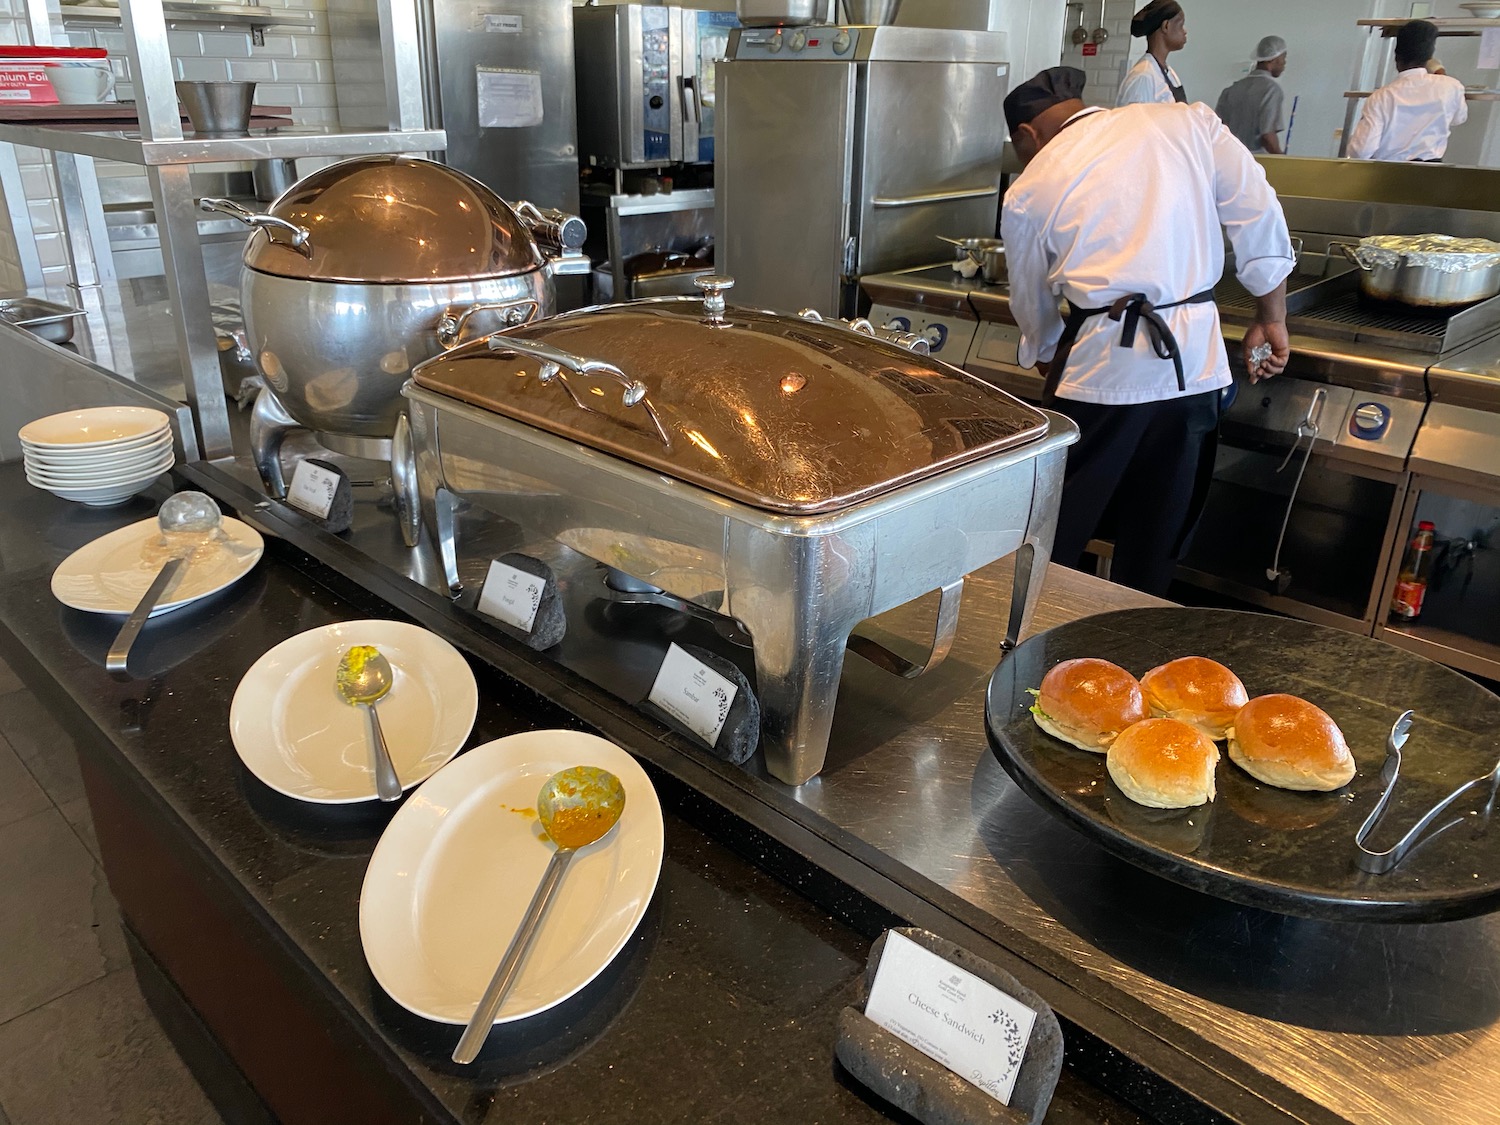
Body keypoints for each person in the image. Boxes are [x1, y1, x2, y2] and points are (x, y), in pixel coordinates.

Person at [1000, 67, 1294, 596]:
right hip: (1194, 369)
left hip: (1099, 376)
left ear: (1026, 135)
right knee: (1156, 545)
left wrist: (1046, 349)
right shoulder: (1189, 122)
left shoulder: (1031, 185)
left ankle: (1036, 653)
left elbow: (1029, 298)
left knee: (1055, 537)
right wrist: (1270, 316)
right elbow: (1259, 215)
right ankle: (1138, 660)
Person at [1348, 20, 1466, 162]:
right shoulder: (1451, 86)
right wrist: (1439, 72)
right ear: (1429, 59)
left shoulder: (1381, 97)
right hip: (1432, 172)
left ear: (1397, 58)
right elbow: (1459, 118)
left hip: (1389, 173)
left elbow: (1362, 151)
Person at [1215, 35, 1288, 154]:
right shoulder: (1271, 90)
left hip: (1230, 158)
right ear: (1272, 59)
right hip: (1258, 162)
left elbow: (1219, 130)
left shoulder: (1231, 90)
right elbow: (1267, 136)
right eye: (1283, 58)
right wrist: (1283, 160)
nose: (1284, 64)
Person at [1117, 0, 1188, 106]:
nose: (1185, 31)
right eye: (1181, 25)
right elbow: (1134, 121)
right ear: (1166, 26)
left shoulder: (1169, 73)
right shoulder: (1143, 77)